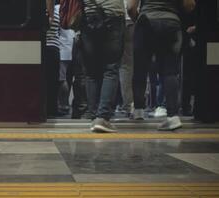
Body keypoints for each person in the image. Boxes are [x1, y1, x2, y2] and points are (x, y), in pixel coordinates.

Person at [128, 0, 196, 130]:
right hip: (171, 23)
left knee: (140, 69)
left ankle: (138, 111)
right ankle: (173, 116)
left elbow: (131, 7)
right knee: (170, 71)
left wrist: (139, 19)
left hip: (146, 20)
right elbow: (190, 5)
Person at [80, 0, 125, 132]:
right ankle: (103, 117)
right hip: (113, 16)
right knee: (111, 69)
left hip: (89, 16)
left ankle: (94, 117)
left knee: (91, 72)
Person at [45, 2, 61, 117]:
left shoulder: (38, 11)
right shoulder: (56, 11)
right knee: (52, 82)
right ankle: (52, 110)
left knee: (44, 81)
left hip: (43, 47)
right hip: (54, 48)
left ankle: (45, 109)